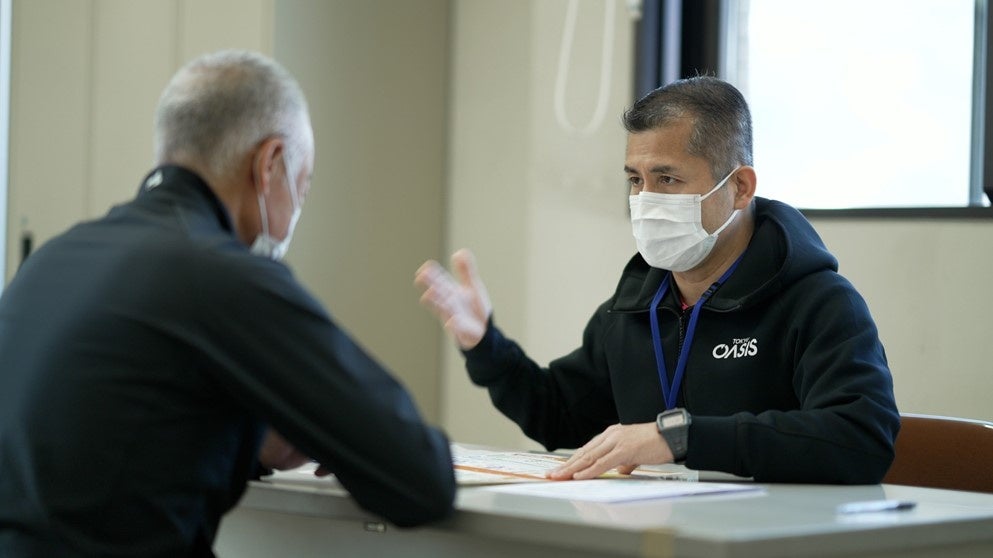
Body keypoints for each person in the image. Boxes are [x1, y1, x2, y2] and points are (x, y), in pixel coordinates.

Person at [0, 50, 454, 557]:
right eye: (302, 188)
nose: (296, 211)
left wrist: (252, 437)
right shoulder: (225, 278)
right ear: (270, 163)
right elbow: (422, 479)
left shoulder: (51, 262)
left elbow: (115, 440)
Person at [416, 76, 899, 484]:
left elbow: (861, 438)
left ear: (739, 187)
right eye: (634, 179)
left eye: (666, 179)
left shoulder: (819, 302)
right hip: (657, 535)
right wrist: (485, 345)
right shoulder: (636, 303)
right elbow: (562, 416)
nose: (645, 199)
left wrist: (681, 437)